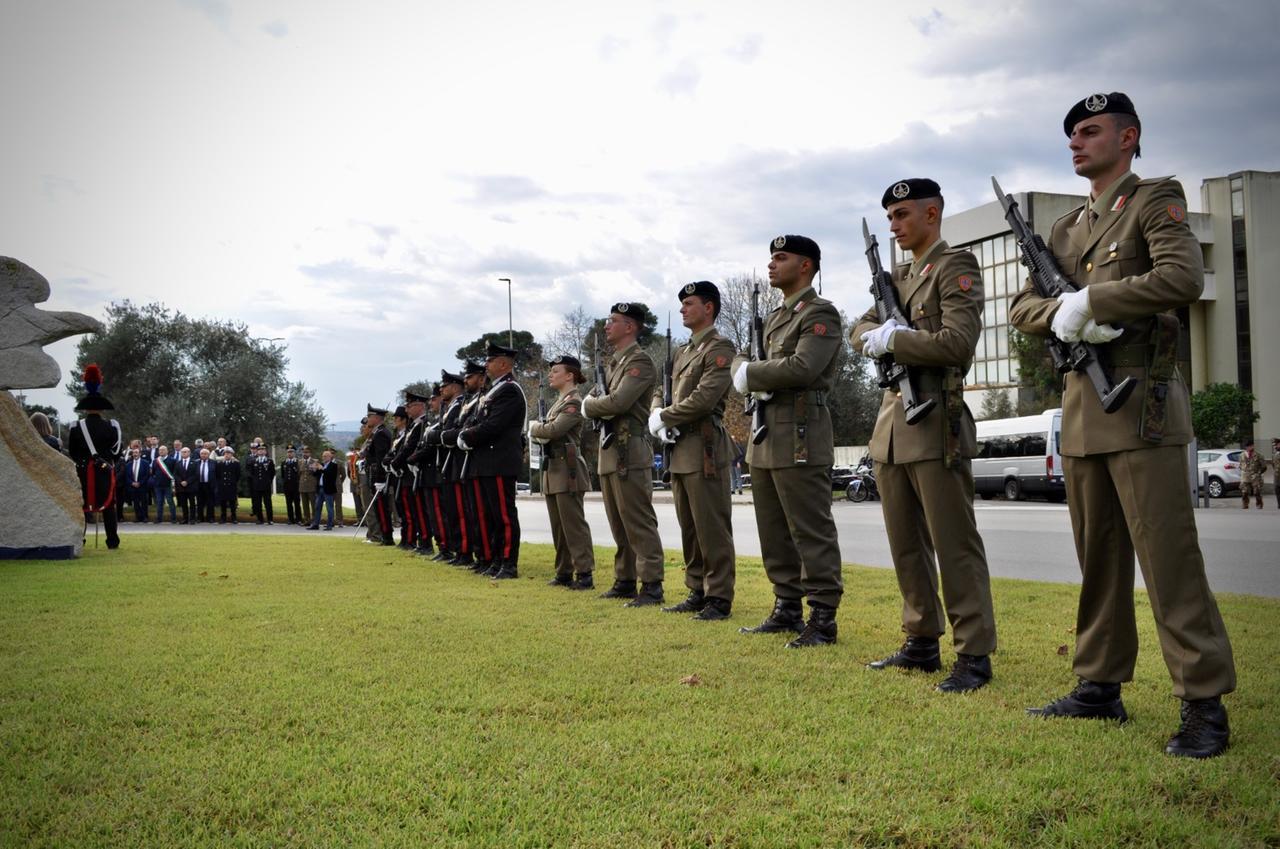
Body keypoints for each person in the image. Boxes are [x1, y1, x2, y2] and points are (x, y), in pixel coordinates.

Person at [1009, 91, 1236, 758]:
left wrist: (1096, 299)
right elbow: (1025, 302)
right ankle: (1098, 685)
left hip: (1142, 402)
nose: (1076, 142)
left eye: (1090, 131)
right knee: (1098, 562)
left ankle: (1203, 703)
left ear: (1129, 137)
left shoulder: (1154, 199)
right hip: (1083, 410)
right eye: (1071, 134)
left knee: (1169, 558)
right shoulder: (1064, 230)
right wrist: (1058, 313)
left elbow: (1182, 277)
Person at [852, 178, 998, 691]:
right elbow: (859, 329)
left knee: (954, 544)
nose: (894, 225)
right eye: (890, 216)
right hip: (892, 428)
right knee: (906, 544)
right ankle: (920, 640)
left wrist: (900, 339)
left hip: (937, 422)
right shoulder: (895, 277)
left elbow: (957, 343)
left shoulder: (954, 267)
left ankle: (974, 653)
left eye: (903, 215)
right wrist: (878, 335)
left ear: (932, 214)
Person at [732, 235, 843, 648]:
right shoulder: (777, 318)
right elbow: (743, 359)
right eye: (771, 257)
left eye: (782, 258)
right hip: (764, 435)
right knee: (773, 530)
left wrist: (753, 374)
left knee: (810, 529)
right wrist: (748, 370)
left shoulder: (820, 314)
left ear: (807, 266)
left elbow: (803, 366)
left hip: (801, 434)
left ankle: (823, 617)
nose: (772, 264)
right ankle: (787, 607)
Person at [649, 281, 737, 620]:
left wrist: (666, 416)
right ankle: (696, 588)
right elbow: (662, 388)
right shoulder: (682, 353)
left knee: (711, 526)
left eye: (690, 303)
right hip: (680, 448)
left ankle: (719, 597)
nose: (684, 308)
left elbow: (704, 399)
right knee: (689, 525)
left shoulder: (720, 348)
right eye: (682, 304)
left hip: (705, 448)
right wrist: (657, 413)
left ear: (709, 308)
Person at [582, 302, 666, 606]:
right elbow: (596, 395)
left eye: (612, 321)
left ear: (630, 327)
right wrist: (592, 402)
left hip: (629, 449)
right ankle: (625, 579)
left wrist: (588, 406)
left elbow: (617, 402)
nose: (606, 326)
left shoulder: (639, 362)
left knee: (638, 520)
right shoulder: (613, 364)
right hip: (610, 450)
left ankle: (652, 584)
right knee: (618, 521)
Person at [457, 341, 527, 579]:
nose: (485, 364)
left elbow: (494, 425)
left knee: (503, 515)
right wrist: (466, 433)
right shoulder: (492, 390)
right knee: (489, 515)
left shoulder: (509, 390)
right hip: (486, 460)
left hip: (499, 460)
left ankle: (508, 563)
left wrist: (467, 436)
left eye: (490, 360)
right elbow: (477, 421)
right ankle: (496, 560)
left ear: (504, 363)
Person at [531, 355, 596, 589]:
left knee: (573, 526)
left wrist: (535, 428)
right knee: (558, 527)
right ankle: (564, 572)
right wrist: (541, 430)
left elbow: (555, 430)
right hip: (554, 468)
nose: (551, 374)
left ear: (570, 375)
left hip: (568, 469)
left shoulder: (574, 401)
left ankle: (585, 573)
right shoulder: (560, 401)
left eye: (556, 371)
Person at [67, 364, 122, 549]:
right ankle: (112, 541)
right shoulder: (112, 426)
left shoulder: (76, 426)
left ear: (85, 409)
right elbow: (117, 452)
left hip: (82, 470)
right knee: (109, 506)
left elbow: (72, 452)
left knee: (80, 506)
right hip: (104, 470)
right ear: (102, 409)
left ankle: (79, 540)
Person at [364, 405, 395, 545]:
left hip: (379, 476)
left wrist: (380, 478)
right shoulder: (378, 432)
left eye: (370, 416)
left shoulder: (381, 433)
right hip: (375, 474)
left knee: (382, 508)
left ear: (377, 418)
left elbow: (381, 458)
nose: (368, 419)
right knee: (379, 508)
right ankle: (385, 535)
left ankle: (387, 537)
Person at [307, 449, 339, 530]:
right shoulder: (321, 465)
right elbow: (315, 474)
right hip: (320, 489)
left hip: (328, 489)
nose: (323, 457)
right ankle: (315, 524)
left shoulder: (333, 465)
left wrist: (322, 469)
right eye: (323, 456)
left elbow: (330, 475)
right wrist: (314, 468)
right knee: (317, 507)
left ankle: (329, 525)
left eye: (325, 456)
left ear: (329, 457)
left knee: (329, 508)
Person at [247, 443, 276, 524]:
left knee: (268, 503)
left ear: (265, 451)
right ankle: (260, 519)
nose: (261, 451)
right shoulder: (253, 461)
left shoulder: (269, 461)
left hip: (266, 485)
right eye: (259, 450)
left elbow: (272, 473)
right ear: (257, 451)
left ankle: (270, 519)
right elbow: (251, 473)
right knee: (257, 503)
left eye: (263, 449)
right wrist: (255, 481)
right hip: (256, 486)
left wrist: (268, 481)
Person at [150, 444, 178, 524]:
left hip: (168, 485)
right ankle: (159, 519)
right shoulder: (156, 461)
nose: (161, 451)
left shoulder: (172, 460)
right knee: (159, 502)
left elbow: (174, 472)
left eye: (163, 450)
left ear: (167, 451)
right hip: (158, 486)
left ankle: (173, 518)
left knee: (170, 502)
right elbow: (153, 472)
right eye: (160, 450)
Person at [124, 445, 150, 522]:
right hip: (132, 487)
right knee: (135, 503)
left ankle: (145, 517)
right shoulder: (128, 464)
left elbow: (147, 475)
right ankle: (138, 517)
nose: (135, 454)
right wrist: (132, 483)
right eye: (134, 453)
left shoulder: (145, 463)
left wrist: (140, 483)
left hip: (142, 486)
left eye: (136, 452)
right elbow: (127, 476)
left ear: (140, 453)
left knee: (144, 502)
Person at [1239, 439, 1266, 510]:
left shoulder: (1258, 455)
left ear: (1252, 446)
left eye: (1249, 446)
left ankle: (1259, 505)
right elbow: (1240, 465)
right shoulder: (1242, 455)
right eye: (1246, 447)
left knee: (1257, 492)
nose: (1248, 448)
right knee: (1244, 492)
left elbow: (1264, 467)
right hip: (1245, 476)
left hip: (1255, 476)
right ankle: (1245, 505)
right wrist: (1243, 472)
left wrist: (1258, 473)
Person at [216, 448, 242, 523]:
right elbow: (217, 475)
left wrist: (233, 482)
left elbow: (238, 475)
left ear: (232, 455)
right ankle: (223, 518)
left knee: (232, 503)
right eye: (225, 454)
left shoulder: (236, 464)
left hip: (231, 486)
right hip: (223, 486)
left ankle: (234, 518)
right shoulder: (220, 464)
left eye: (229, 453)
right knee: (223, 503)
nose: (227, 455)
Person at [280, 445, 302, 524]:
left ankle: (298, 519)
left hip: (296, 485)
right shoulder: (284, 463)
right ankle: (290, 519)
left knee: (297, 503)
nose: (290, 454)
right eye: (288, 452)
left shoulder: (298, 462)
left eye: (291, 452)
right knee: (288, 503)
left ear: (294, 453)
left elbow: (299, 474)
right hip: (287, 486)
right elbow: (283, 475)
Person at [195, 447, 216, 523]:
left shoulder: (214, 463)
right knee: (200, 502)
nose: (203, 455)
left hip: (209, 485)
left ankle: (210, 518)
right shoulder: (196, 462)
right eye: (202, 454)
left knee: (210, 502)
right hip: (199, 485)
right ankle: (200, 518)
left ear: (209, 454)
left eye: (205, 454)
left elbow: (217, 475)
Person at [297, 445, 317, 526]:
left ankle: (315, 520)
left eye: (307, 452)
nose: (305, 454)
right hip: (302, 486)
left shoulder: (315, 461)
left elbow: (316, 474)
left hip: (311, 486)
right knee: (305, 505)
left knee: (313, 505)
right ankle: (307, 520)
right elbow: (299, 473)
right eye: (304, 452)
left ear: (310, 453)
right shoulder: (300, 462)